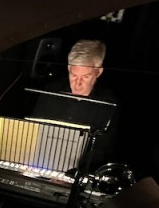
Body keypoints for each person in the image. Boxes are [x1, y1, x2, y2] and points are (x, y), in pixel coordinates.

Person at [31, 40, 117, 169]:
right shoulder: (51, 91)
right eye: (73, 75)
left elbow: (101, 151)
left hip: (78, 171)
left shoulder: (108, 104)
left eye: (85, 77)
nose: (78, 84)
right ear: (68, 68)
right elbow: (34, 130)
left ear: (98, 72)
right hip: (41, 164)